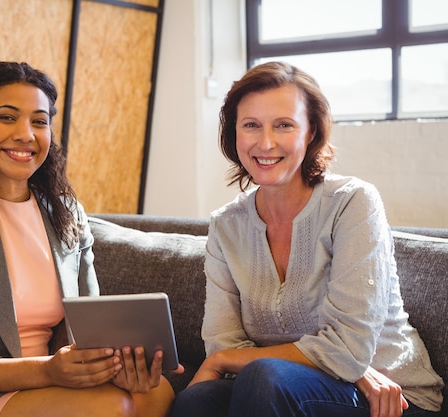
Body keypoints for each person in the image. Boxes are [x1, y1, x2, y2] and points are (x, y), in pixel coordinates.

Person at [0, 61, 177, 417]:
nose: (26, 134)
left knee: (155, 392)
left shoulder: (68, 213)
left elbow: (90, 329)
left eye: (39, 121)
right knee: (111, 408)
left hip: (54, 381)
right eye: (8, 118)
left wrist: (120, 362)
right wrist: (48, 369)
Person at [169, 61, 444, 417]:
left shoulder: (352, 202)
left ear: (311, 131)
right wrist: (228, 357)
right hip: (293, 386)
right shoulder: (226, 225)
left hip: (394, 397)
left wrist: (226, 359)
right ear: (233, 134)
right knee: (198, 400)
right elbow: (225, 342)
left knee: (263, 376)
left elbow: (347, 346)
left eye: (283, 125)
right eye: (251, 125)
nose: (265, 143)